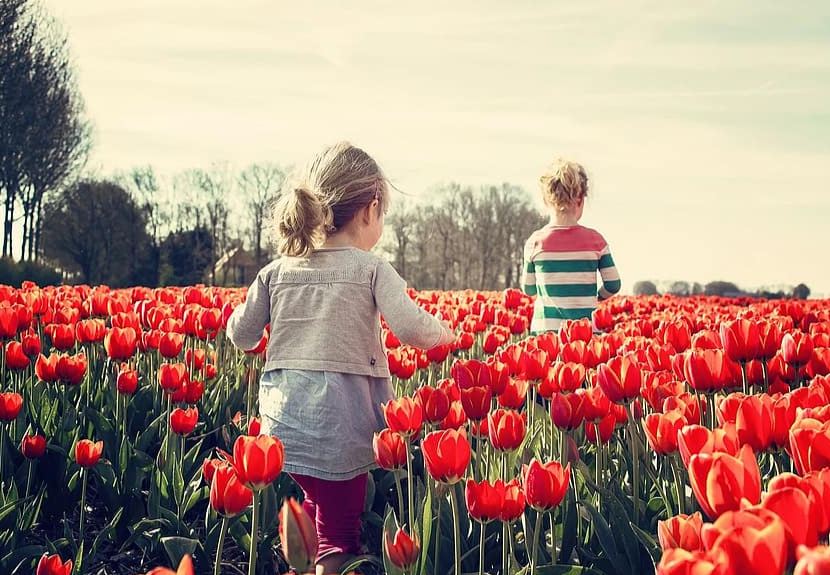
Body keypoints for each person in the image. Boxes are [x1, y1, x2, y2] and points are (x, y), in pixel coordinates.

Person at [225, 141, 455, 573]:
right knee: (338, 536)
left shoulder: (276, 271)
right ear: (370, 210)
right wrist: (443, 331)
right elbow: (409, 327)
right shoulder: (370, 269)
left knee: (311, 509)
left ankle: (300, 564)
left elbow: (240, 334)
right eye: (382, 213)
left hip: (283, 427)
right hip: (340, 425)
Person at [521, 158, 621, 333]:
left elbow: (528, 289)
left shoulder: (535, 243)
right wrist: (596, 297)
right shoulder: (595, 241)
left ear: (545, 201)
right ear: (581, 200)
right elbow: (613, 284)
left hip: (546, 332)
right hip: (586, 333)